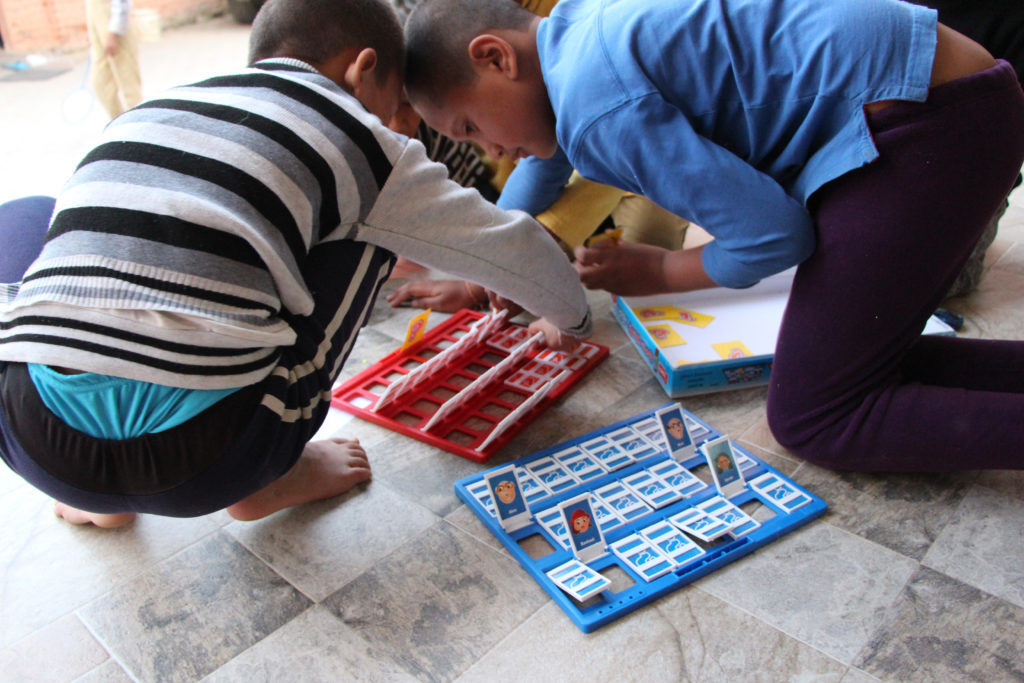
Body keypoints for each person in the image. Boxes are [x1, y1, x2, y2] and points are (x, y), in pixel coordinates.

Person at [0, 0, 592, 528]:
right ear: (360, 71)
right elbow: (505, 243)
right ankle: (272, 479)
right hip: (216, 458)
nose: (395, 128)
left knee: (31, 215)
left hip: (31, 438)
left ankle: (99, 498)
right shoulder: (359, 138)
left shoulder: (152, 110)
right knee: (373, 217)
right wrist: (574, 317)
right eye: (392, 110)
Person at [403, 0, 1024, 471]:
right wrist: (491, 263)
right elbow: (541, 163)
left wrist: (660, 274)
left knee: (814, 415)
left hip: (927, 122)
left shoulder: (596, 110)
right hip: (950, 91)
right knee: (849, 361)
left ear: (495, 57)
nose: (491, 150)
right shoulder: (574, 30)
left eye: (471, 126)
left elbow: (776, 237)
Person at [86, 0, 143, 119]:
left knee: (129, 85)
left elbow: (122, 3)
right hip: (98, 31)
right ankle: (119, 122)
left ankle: (139, 123)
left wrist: (114, 33)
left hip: (116, 30)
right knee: (100, 83)